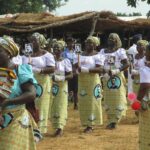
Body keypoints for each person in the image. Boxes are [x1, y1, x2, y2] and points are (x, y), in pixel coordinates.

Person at [0, 36, 42, 150]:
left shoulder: (20, 70)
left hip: (15, 119)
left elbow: (31, 93)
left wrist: (7, 102)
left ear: (9, 53)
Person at [22, 32, 55, 134]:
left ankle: (40, 128)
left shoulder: (47, 55)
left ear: (40, 42)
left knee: (41, 105)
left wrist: (40, 70)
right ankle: (30, 127)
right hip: (29, 83)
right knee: (30, 104)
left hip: (43, 83)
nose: (32, 43)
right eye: (30, 41)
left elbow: (52, 68)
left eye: (34, 40)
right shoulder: (26, 56)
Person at [74, 36, 104, 133]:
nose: (88, 44)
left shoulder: (98, 55)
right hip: (82, 81)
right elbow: (74, 66)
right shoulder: (79, 54)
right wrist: (77, 69)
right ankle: (85, 122)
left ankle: (91, 125)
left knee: (92, 101)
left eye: (90, 43)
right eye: (87, 42)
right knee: (83, 101)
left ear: (95, 45)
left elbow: (100, 69)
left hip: (93, 81)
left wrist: (85, 69)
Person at [100, 33, 129, 129]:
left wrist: (116, 70)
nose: (110, 40)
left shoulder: (120, 51)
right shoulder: (103, 51)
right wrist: (103, 71)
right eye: (109, 38)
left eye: (113, 39)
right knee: (108, 99)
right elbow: (99, 63)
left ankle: (115, 120)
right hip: (106, 77)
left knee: (118, 98)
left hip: (117, 78)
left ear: (117, 41)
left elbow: (126, 64)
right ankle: (111, 120)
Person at [51, 40, 73, 137]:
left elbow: (71, 75)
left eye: (58, 48)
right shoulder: (50, 60)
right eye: (55, 48)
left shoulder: (66, 61)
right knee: (53, 105)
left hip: (62, 86)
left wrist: (61, 78)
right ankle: (55, 125)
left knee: (61, 105)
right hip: (52, 86)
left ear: (62, 50)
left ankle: (60, 127)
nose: (56, 49)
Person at [137, 43, 150, 150]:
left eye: (146, 50)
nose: (145, 52)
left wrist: (137, 102)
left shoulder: (145, 69)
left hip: (148, 99)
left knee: (146, 125)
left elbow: (144, 86)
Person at [62, 37, 78, 109]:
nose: (71, 44)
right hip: (67, 72)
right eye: (69, 42)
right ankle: (66, 103)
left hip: (75, 72)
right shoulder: (64, 52)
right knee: (67, 88)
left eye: (72, 42)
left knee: (76, 89)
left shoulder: (76, 52)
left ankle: (76, 104)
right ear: (67, 43)